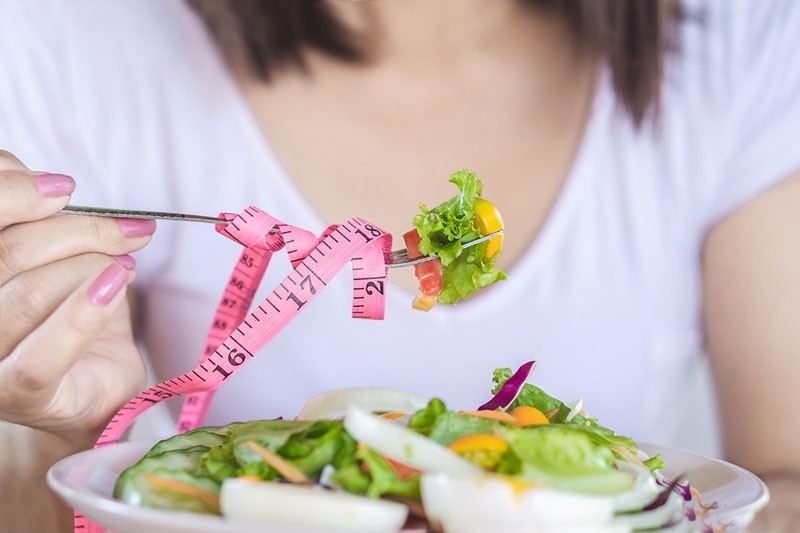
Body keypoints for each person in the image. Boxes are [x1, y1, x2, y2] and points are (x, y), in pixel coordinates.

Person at [0, 0, 798, 530]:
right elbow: (54, 486)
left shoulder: (745, 37)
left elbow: (783, 478)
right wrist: (59, 429)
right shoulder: (66, 34)